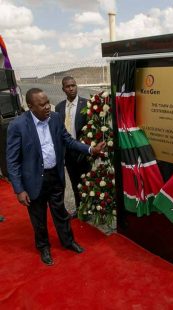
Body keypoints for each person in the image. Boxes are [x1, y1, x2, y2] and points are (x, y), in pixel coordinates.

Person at [6, 88, 105, 266]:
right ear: (30, 106)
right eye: (41, 105)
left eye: (47, 103)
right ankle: (43, 247)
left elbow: (68, 140)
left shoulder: (56, 118)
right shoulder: (18, 125)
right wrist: (19, 190)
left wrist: (91, 149)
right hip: (34, 180)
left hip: (55, 175)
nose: (47, 107)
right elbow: (12, 161)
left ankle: (68, 242)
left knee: (61, 213)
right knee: (39, 218)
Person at [55, 76, 89, 215]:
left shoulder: (86, 104)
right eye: (68, 86)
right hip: (68, 153)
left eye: (73, 85)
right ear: (63, 89)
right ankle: (80, 209)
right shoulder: (59, 107)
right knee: (75, 183)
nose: (71, 88)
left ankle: (90, 209)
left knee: (87, 182)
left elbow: (91, 128)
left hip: (83, 151)